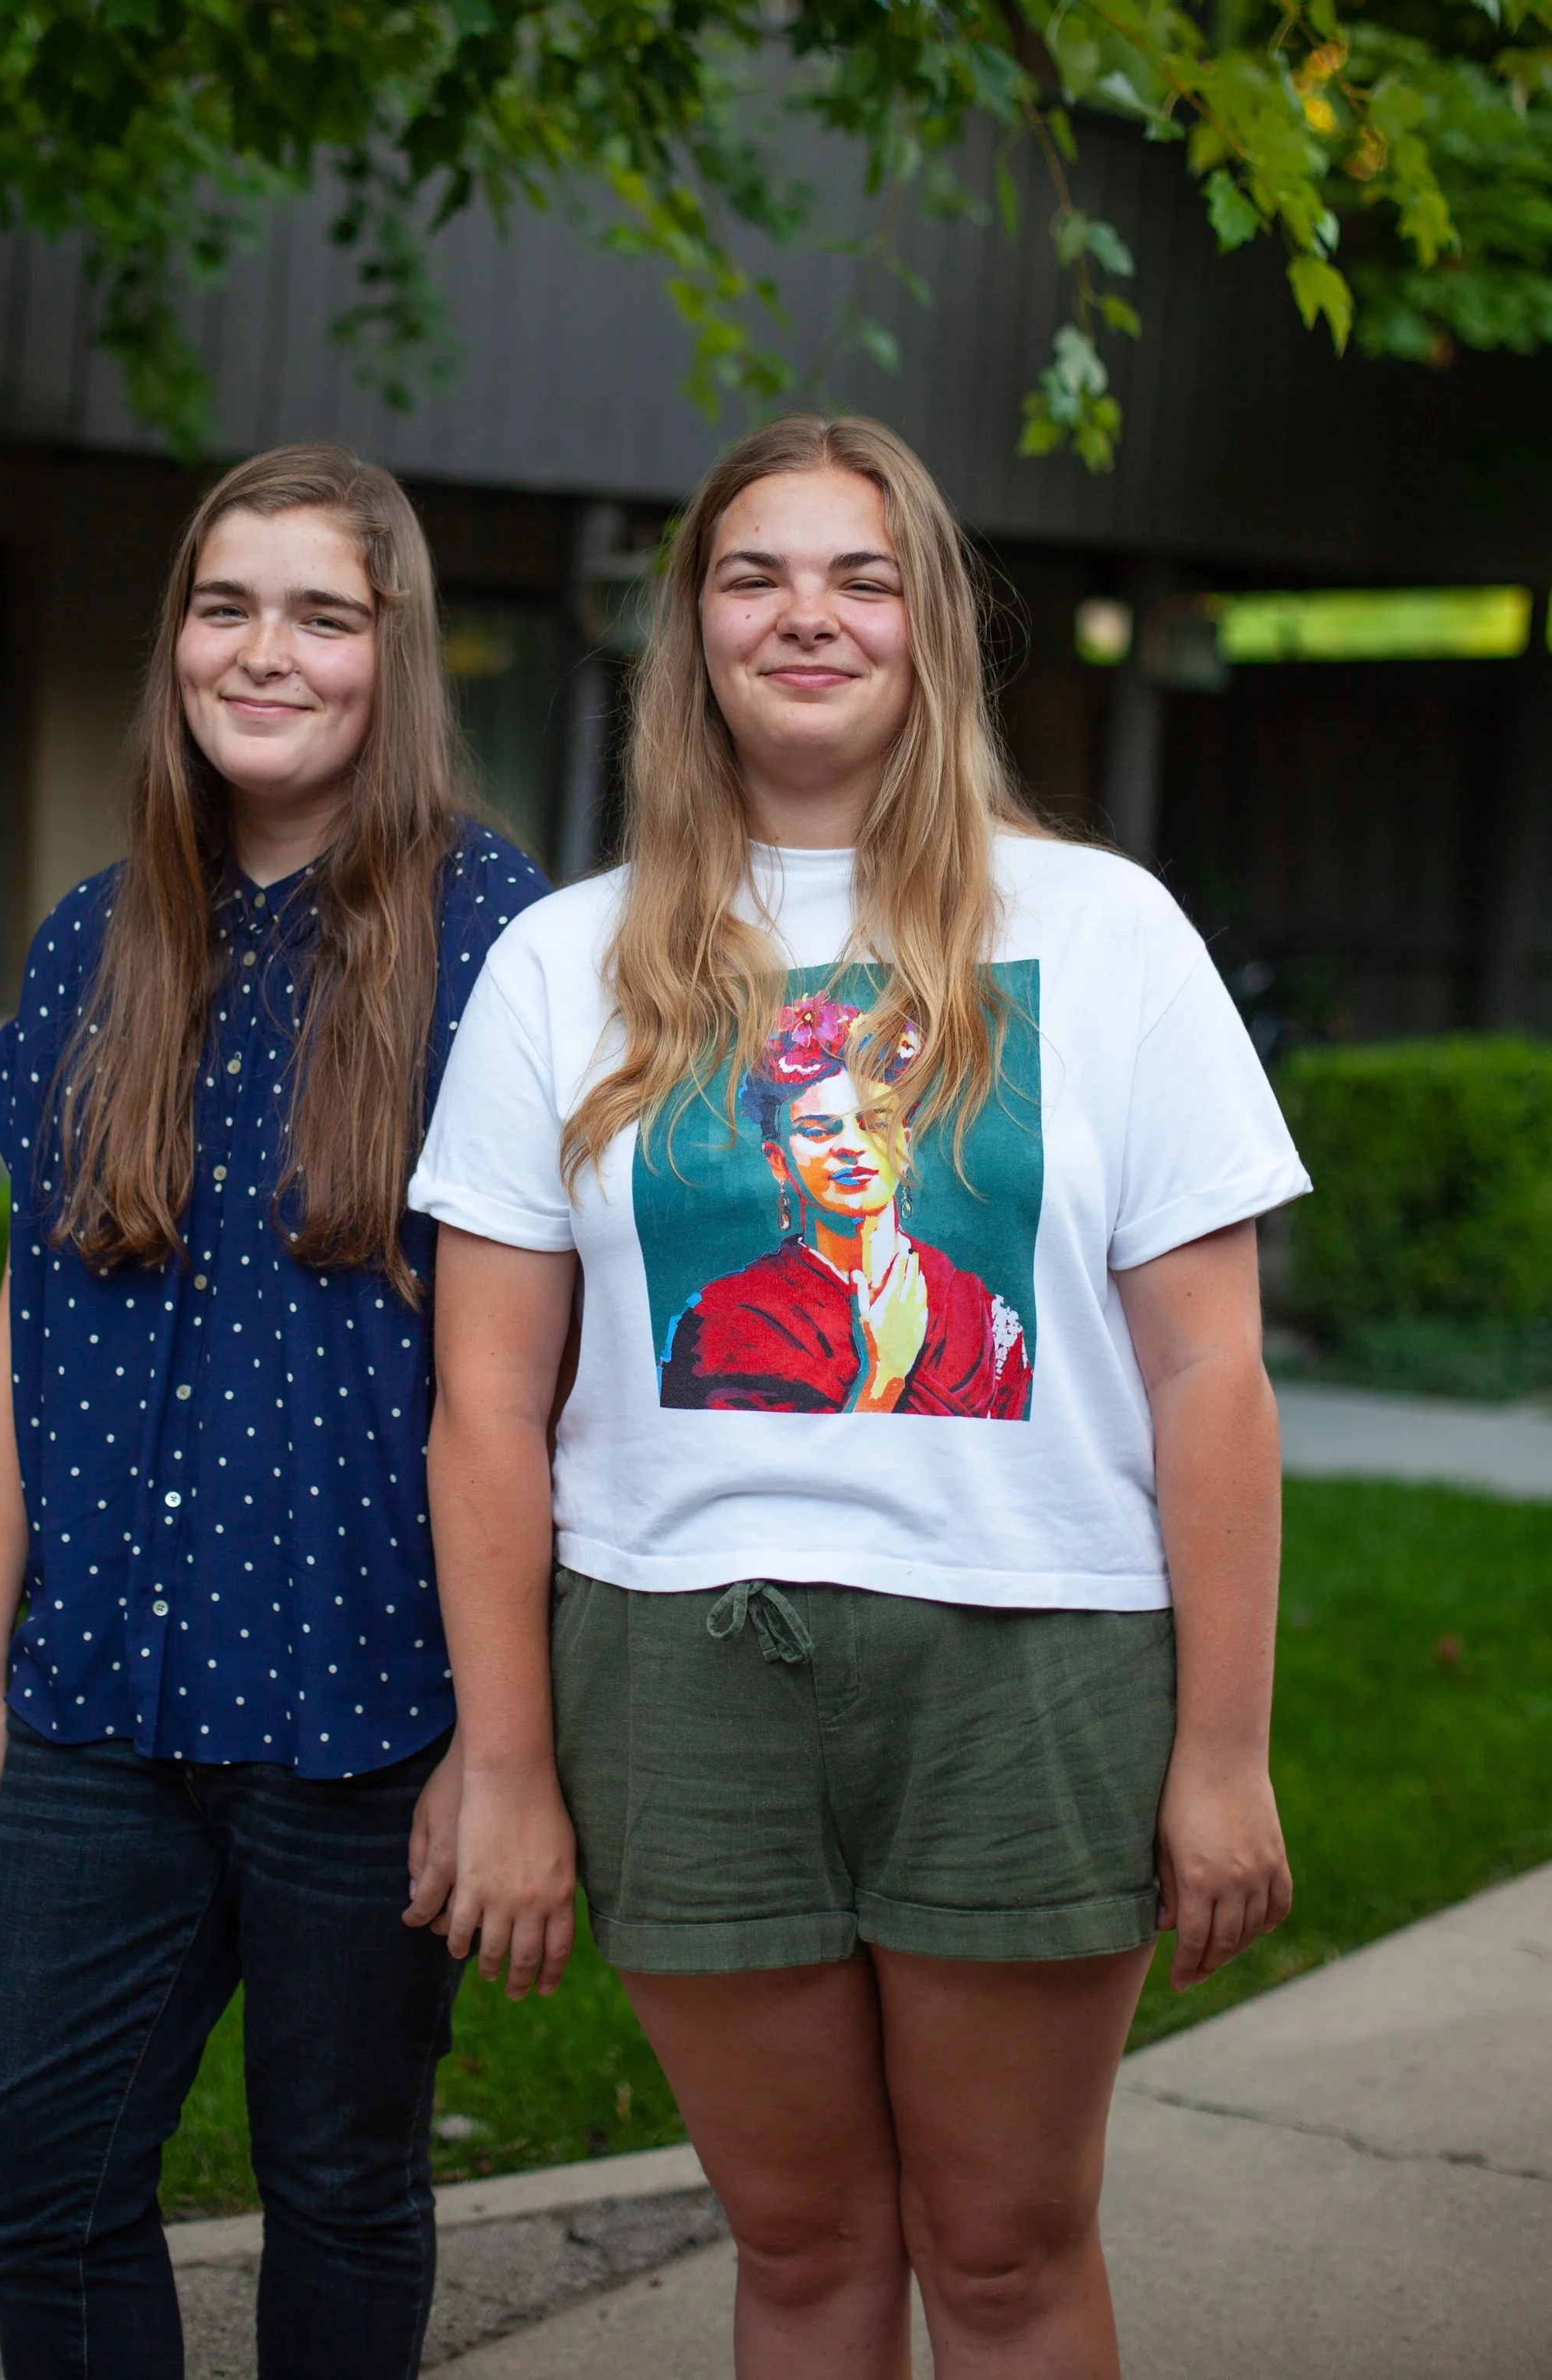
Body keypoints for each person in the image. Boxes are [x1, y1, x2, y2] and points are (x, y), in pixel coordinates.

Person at [411, 412, 1304, 2378]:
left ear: (932, 628)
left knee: (999, 2251)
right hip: (677, 1671)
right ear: (693, 632)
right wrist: (504, 1765)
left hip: (1034, 1667)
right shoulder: (567, 961)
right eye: (754, 573)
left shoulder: (1106, 929)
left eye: (860, 572)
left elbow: (1207, 1368)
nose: (805, 613)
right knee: (803, 2246)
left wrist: (1221, 1747)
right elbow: (485, 1401)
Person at [0, 444, 544, 2380]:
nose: (264, 651)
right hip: (103, 1691)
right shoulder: (96, 933)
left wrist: (504, 1746)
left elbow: (549, 1383)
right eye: (224, 603)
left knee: (340, 2177)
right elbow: (33, 1319)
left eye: (323, 614)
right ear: (175, 635)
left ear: (395, 652)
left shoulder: (504, 940)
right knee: (38, 2152)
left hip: (373, 1707)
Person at [659, 988, 1030, 1417]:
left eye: (874, 1122)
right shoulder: (722, 1321)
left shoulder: (977, 1309)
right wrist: (884, 1374)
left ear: (905, 1142)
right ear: (778, 1161)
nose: (851, 1146)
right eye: (819, 1130)